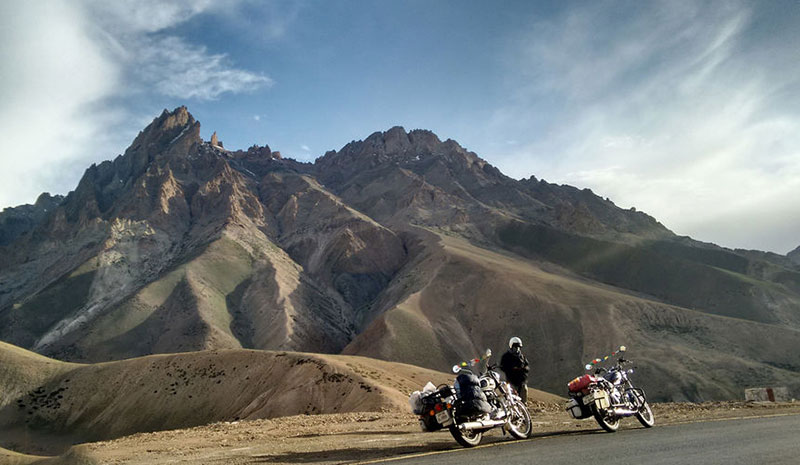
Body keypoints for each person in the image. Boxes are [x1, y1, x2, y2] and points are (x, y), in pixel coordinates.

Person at [500, 336, 529, 403]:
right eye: (515, 347)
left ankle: (524, 409)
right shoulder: (506, 357)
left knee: (524, 396)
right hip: (511, 382)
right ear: (511, 346)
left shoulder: (522, 357)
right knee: (512, 400)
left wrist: (522, 369)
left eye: (518, 347)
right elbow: (502, 367)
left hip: (521, 382)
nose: (517, 349)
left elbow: (527, 367)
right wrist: (512, 368)